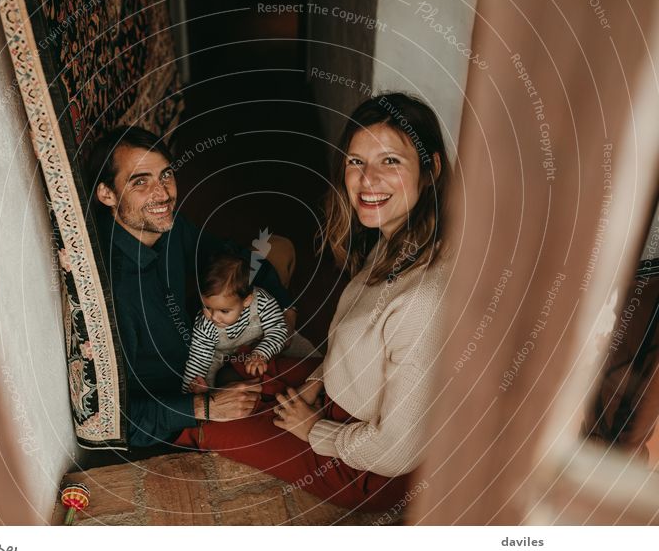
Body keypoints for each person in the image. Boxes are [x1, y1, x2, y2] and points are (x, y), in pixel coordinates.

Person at [175, 92, 451, 512]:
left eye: (390, 161)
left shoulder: (423, 298)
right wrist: (314, 383)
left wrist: (314, 430)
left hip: (365, 466)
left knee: (197, 423)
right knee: (237, 368)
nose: (367, 179)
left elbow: (397, 452)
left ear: (430, 169)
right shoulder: (398, 242)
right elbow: (356, 345)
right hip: (338, 399)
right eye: (356, 161)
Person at [87, 126, 299, 448]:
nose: (163, 193)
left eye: (166, 175)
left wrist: (285, 307)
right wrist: (206, 407)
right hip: (181, 408)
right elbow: (114, 421)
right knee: (295, 426)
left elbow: (229, 253)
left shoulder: (163, 224)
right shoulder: (111, 292)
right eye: (140, 181)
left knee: (279, 248)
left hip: (210, 342)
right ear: (107, 194)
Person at [183, 250, 288, 393]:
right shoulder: (205, 324)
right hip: (218, 352)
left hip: (253, 346)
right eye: (207, 307)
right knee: (204, 374)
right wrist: (191, 387)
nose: (213, 317)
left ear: (247, 301)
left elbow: (278, 329)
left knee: (272, 362)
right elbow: (198, 359)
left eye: (224, 311)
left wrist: (261, 353)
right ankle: (204, 394)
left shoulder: (263, 302)